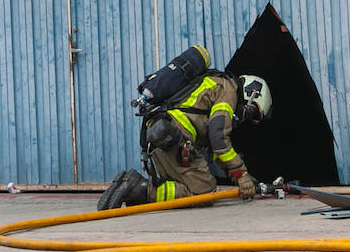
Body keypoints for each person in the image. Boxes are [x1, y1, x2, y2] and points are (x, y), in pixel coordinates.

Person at [98, 67, 272, 209]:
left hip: (161, 134)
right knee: (203, 193)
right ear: (252, 92)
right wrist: (241, 174)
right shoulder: (229, 91)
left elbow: (215, 149)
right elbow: (218, 137)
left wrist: (241, 175)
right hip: (175, 137)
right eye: (252, 111)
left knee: (178, 186)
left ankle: (131, 189)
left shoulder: (215, 82)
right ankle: (141, 188)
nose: (245, 117)